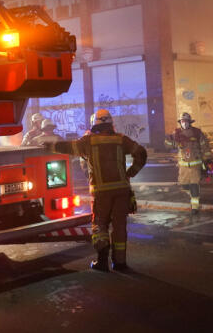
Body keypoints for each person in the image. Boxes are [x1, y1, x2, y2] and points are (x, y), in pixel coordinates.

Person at [49, 108, 146, 271]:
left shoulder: (88, 141)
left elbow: (68, 147)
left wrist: (49, 146)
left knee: (100, 225)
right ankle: (120, 263)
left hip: (101, 192)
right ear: (110, 123)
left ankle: (102, 262)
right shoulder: (121, 139)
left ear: (95, 124)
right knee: (120, 226)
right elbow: (141, 153)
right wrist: (131, 173)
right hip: (122, 190)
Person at [168, 113, 212, 214]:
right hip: (183, 167)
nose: (184, 123)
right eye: (182, 121)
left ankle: (195, 207)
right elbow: (170, 145)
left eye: (186, 121)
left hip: (195, 166)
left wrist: (207, 159)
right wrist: (169, 139)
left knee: (194, 185)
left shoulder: (197, 133)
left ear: (190, 122)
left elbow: (204, 146)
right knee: (184, 186)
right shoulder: (177, 133)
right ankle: (193, 196)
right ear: (180, 122)